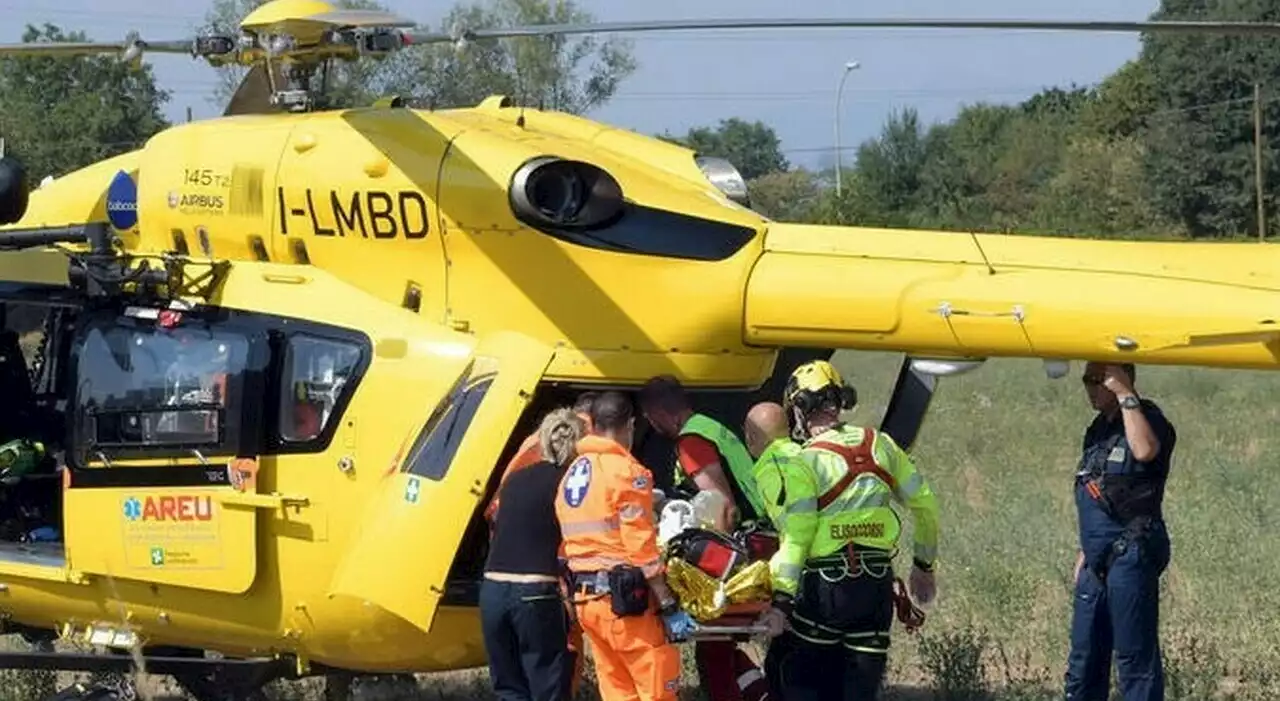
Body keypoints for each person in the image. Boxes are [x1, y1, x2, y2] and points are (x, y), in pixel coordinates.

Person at [767, 360, 941, 701]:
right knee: (860, 691)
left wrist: (781, 601)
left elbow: (798, 536)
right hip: (875, 588)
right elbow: (926, 507)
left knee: (803, 685)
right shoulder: (883, 446)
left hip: (826, 591)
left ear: (800, 408)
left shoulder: (804, 462)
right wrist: (924, 566)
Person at [637, 375, 771, 701]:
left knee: (714, 646)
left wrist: (716, 572)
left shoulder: (692, 440)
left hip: (741, 550)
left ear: (661, 414)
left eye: (652, 421)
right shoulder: (712, 427)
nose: (654, 429)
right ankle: (759, 693)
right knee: (719, 645)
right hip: (761, 540)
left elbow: (721, 505)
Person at [555, 391, 694, 701]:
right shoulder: (627, 473)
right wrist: (668, 602)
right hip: (625, 605)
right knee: (657, 684)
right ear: (628, 425)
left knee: (617, 689)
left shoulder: (574, 473)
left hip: (587, 602)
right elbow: (640, 545)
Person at [1066, 362, 1176, 701]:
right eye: (1087, 380)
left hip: (1131, 553)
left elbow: (1144, 451)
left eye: (1098, 381)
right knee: (1083, 661)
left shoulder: (1148, 420)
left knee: (1134, 659)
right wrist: (1085, 549)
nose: (1090, 388)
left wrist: (1126, 394)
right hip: (1096, 559)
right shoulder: (1097, 430)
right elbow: (1094, 489)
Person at [481, 408, 588, 701]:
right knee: (548, 685)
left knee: (509, 687)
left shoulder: (515, 480)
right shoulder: (570, 483)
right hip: (535, 592)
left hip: (491, 591)